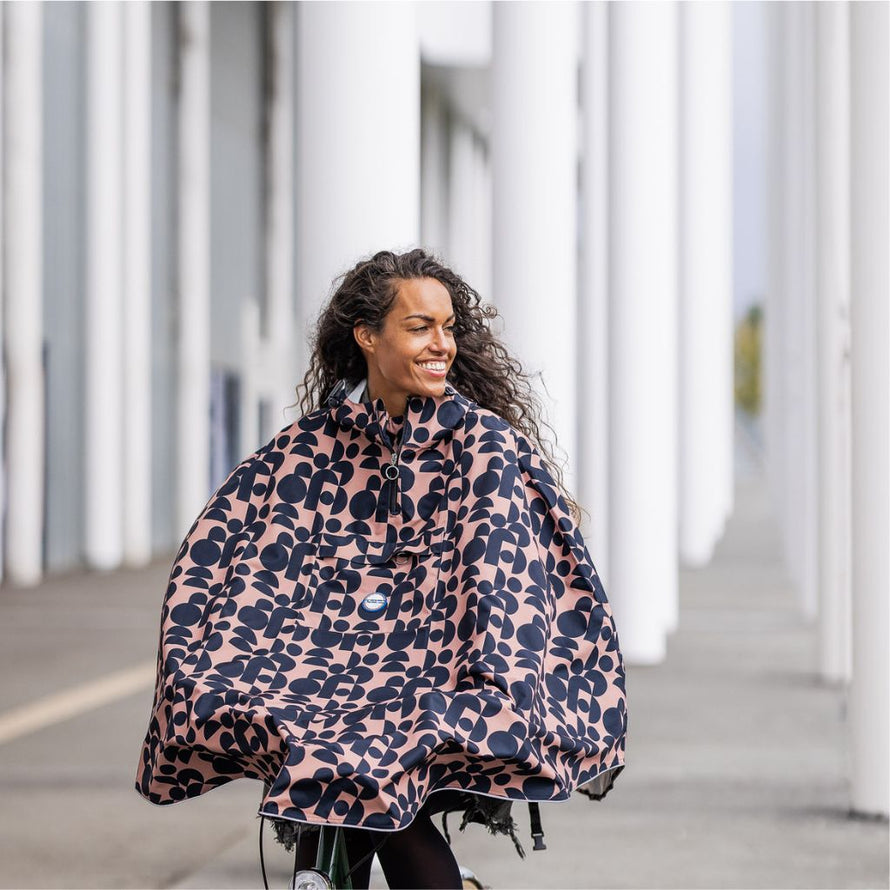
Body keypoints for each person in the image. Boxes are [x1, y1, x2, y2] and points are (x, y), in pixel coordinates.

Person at [135, 248, 627, 889]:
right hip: (332, 680)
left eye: (448, 328)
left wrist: (479, 669)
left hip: (439, 676)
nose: (441, 344)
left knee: (373, 764)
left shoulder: (485, 448)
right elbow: (239, 552)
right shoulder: (309, 450)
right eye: (421, 327)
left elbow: (509, 585)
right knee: (328, 753)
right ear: (368, 337)